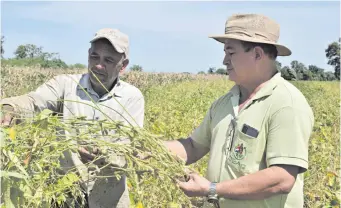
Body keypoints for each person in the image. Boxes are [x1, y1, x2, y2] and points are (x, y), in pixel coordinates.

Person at [165, 14, 314, 208]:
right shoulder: (225, 103)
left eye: (231, 52)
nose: (224, 60)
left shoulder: (286, 104)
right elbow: (193, 146)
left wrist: (212, 189)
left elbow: (282, 178)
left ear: (257, 54)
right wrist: (148, 149)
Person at [0, 28, 144, 208]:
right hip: (64, 195)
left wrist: (105, 157)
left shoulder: (132, 97)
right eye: (94, 57)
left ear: (123, 65)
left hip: (108, 199)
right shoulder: (65, 85)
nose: (98, 65)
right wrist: (10, 108)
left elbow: (130, 148)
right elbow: (33, 102)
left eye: (108, 60)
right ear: (88, 55)